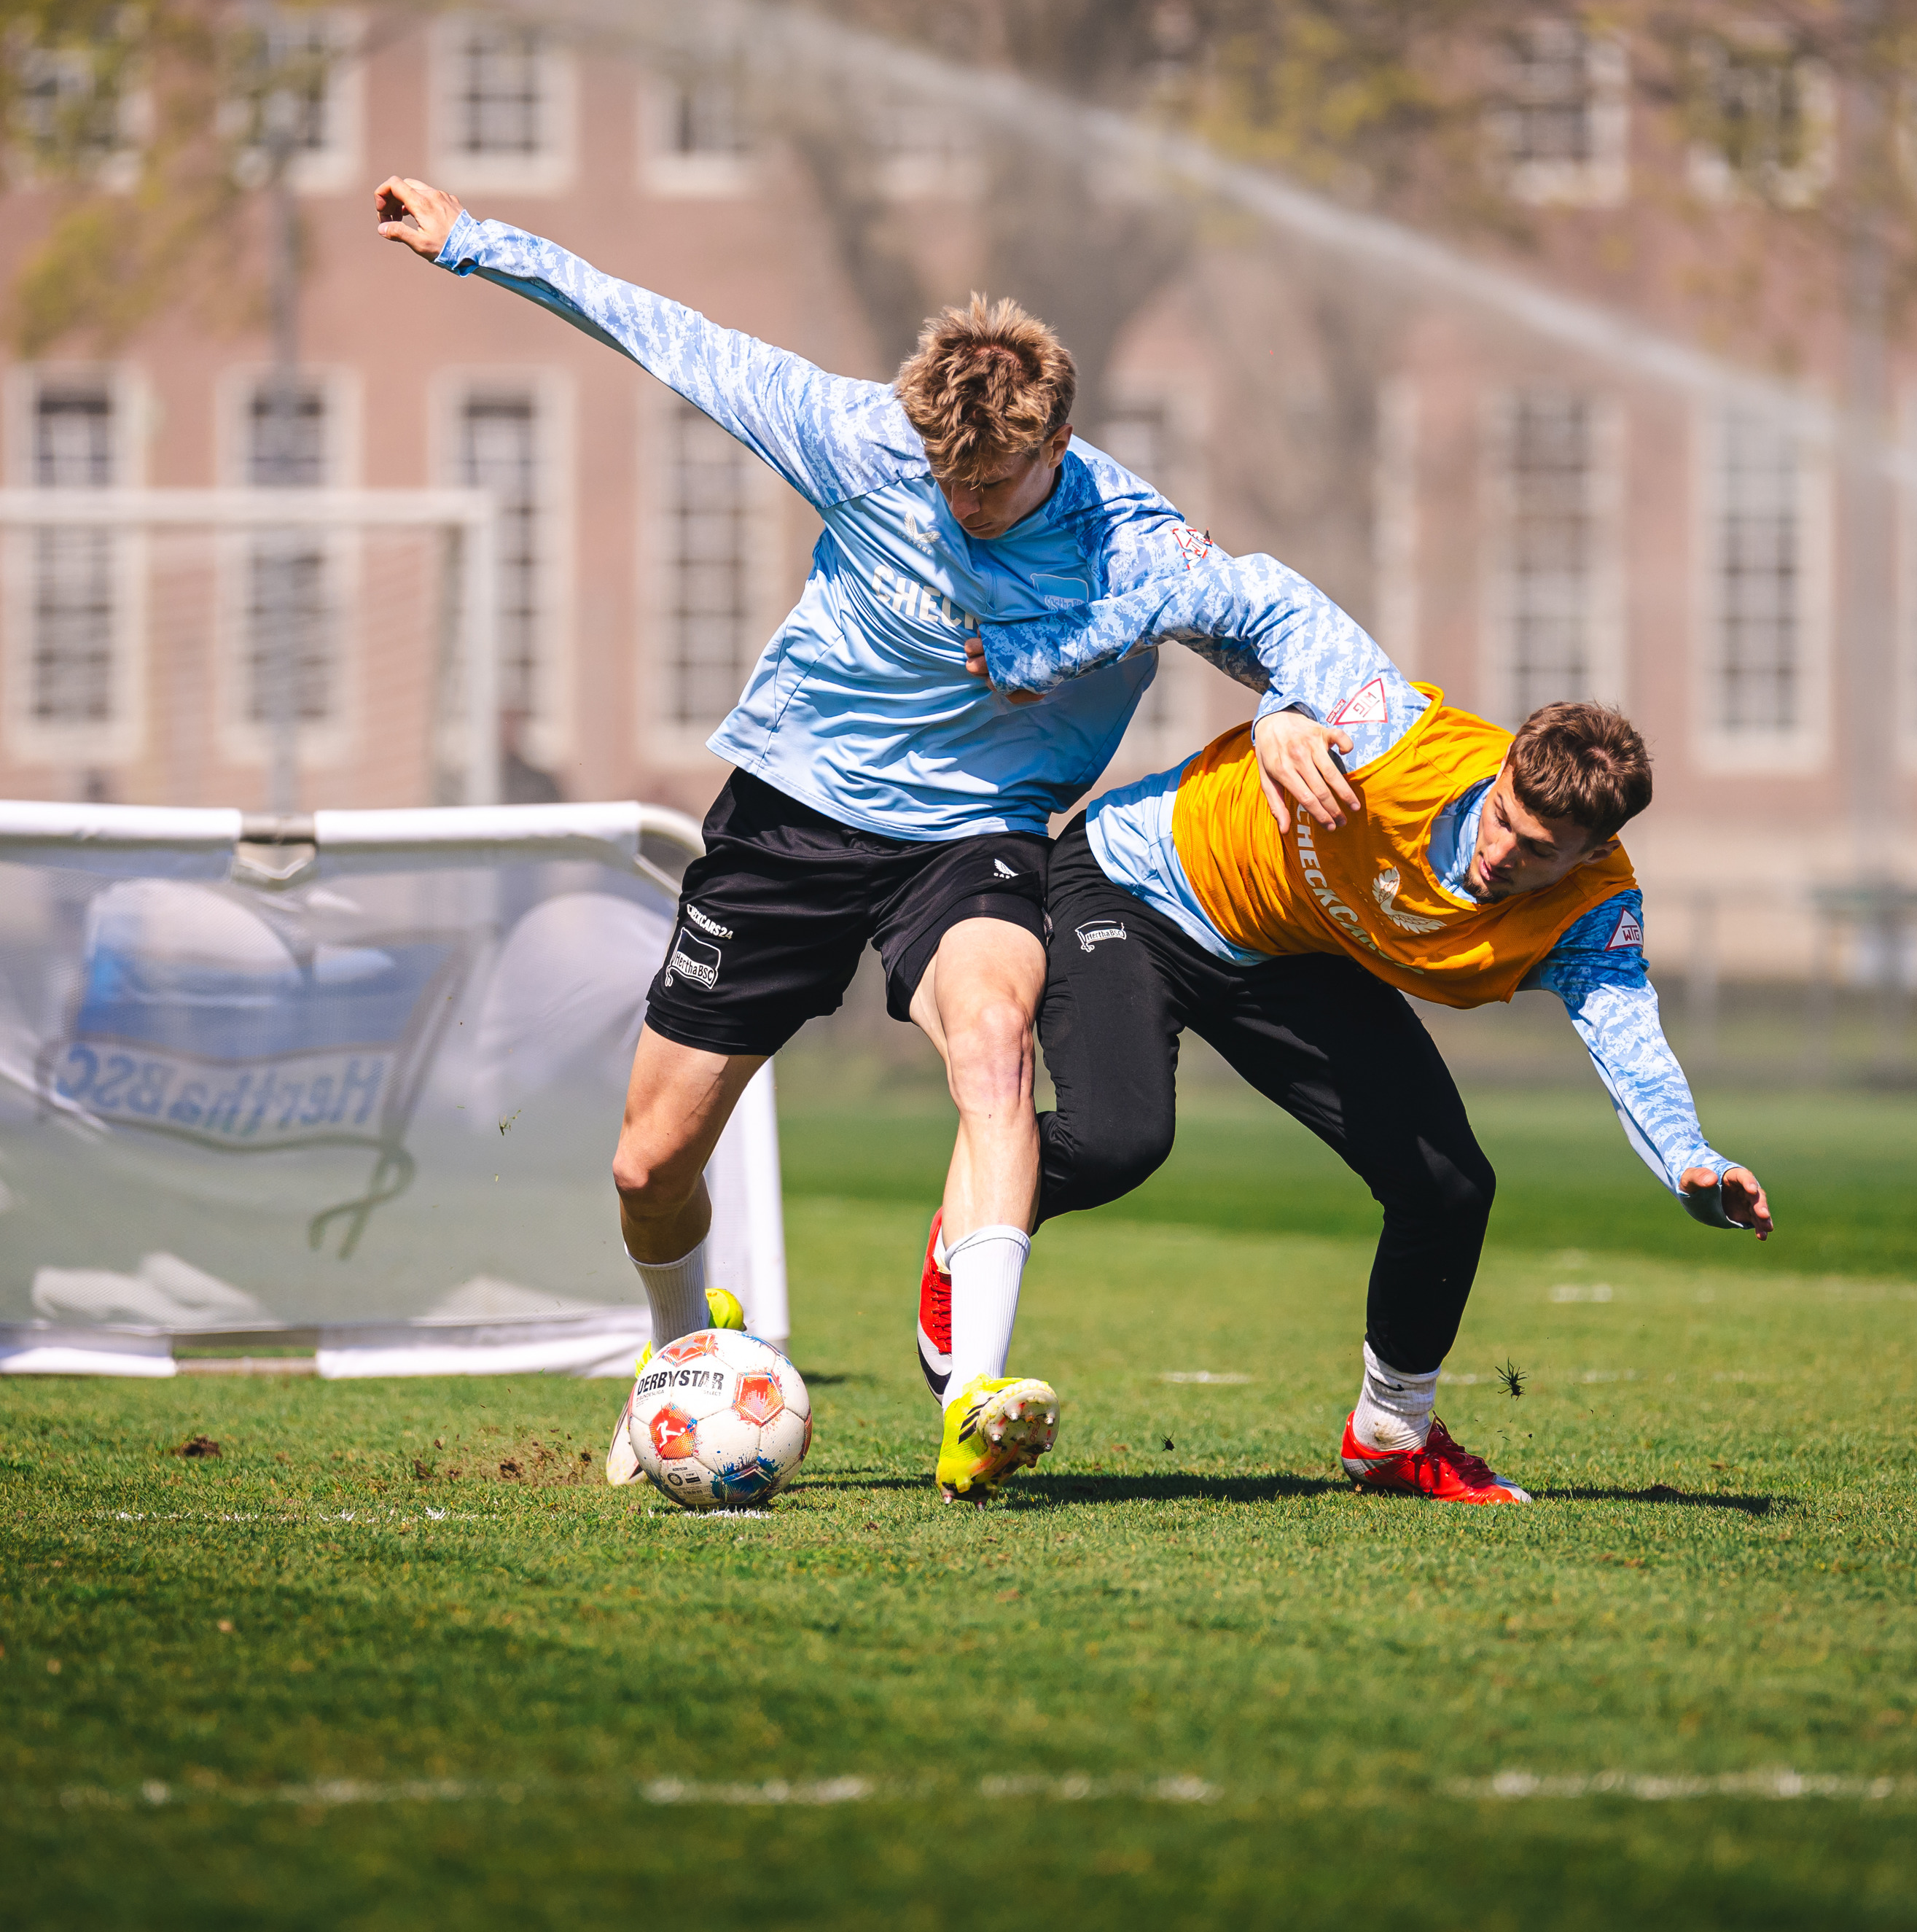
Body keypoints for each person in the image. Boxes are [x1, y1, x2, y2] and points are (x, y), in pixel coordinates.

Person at [375, 173, 1309, 1503]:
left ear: (1061, 445)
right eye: (950, 479)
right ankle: (677, 1368)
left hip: (972, 838)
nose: (969, 502)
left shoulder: (1133, 539)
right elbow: (659, 330)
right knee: (650, 1167)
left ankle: (974, 1397)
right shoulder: (856, 436)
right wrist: (474, 244)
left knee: (994, 1047)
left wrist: (1286, 709)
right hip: (791, 823)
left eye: (998, 483)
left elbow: (1277, 621)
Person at [934, 554, 1767, 1503]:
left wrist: (1692, 1162)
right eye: (1501, 818)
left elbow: (1629, 1040)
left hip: (1284, 954)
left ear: (1588, 855)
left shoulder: (1589, 918)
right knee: (1120, 1140)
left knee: (1449, 1188)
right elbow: (1233, 590)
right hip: (1139, 885)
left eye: (1536, 853)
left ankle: (1389, 1434)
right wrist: (1054, 655)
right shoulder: (1389, 729)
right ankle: (974, 1226)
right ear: (1499, 771)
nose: (1499, 854)